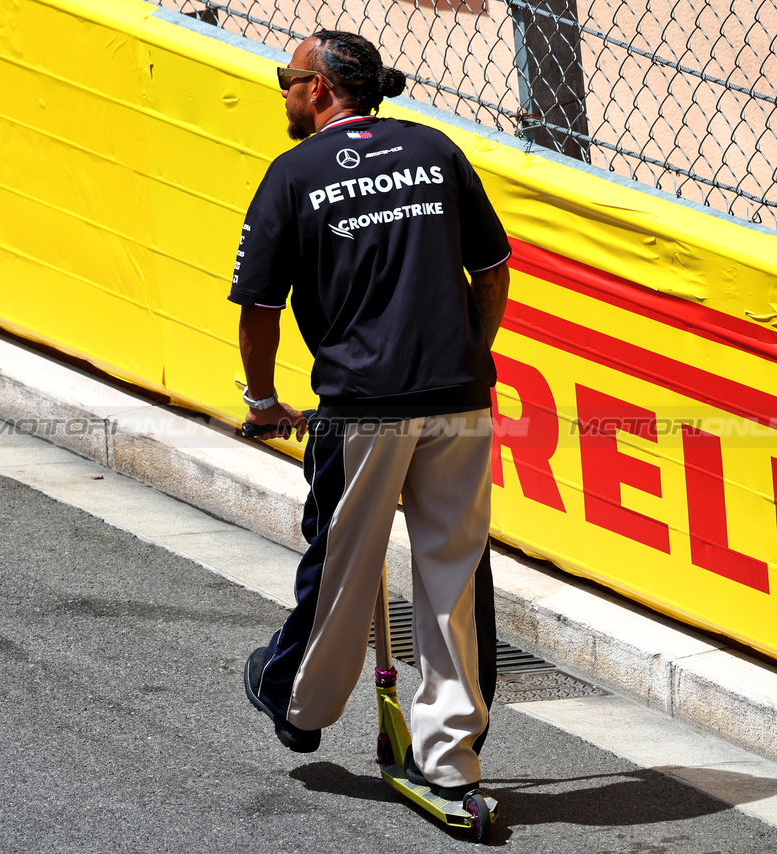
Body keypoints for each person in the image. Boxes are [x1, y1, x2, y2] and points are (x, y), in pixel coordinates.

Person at [228, 30, 511, 802]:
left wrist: (261, 402)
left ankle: (299, 704)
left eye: (287, 78)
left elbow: (259, 308)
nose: (284, 90)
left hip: (360, 406)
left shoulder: (295, 173)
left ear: (320, 90)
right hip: (457, 399)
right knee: (454, 576)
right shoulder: (436, 148)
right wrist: (468, 359)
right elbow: (490, 270)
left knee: (342, 562)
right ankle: (450, 758)